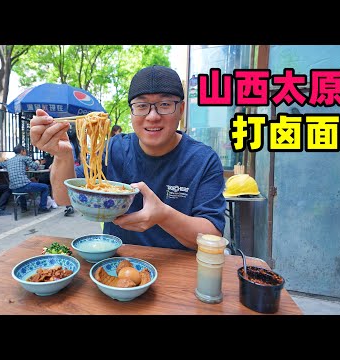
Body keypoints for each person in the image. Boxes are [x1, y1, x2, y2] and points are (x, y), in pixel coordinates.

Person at [29, 65, 226, 251]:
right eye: (141, 106)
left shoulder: (203, 160)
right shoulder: (115, 148)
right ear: (132, 111)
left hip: (178, 271)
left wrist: (164, 215)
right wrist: (63, 156)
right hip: (115, 264)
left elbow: (213, 237)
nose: (152, 116)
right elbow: (64, 198)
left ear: (181, 110)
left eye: (165, 104)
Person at [0, 145, 51, 213]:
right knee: (45, 187)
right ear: (22, 151)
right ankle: (42, 207)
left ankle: (24, 208)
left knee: (20, 188)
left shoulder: (9, 161)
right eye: (25, 151)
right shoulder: (24, 158)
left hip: (13, 188)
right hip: (24, 186)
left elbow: (0, 164)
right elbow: (35, 167)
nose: (26, 152)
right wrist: (38, 162)